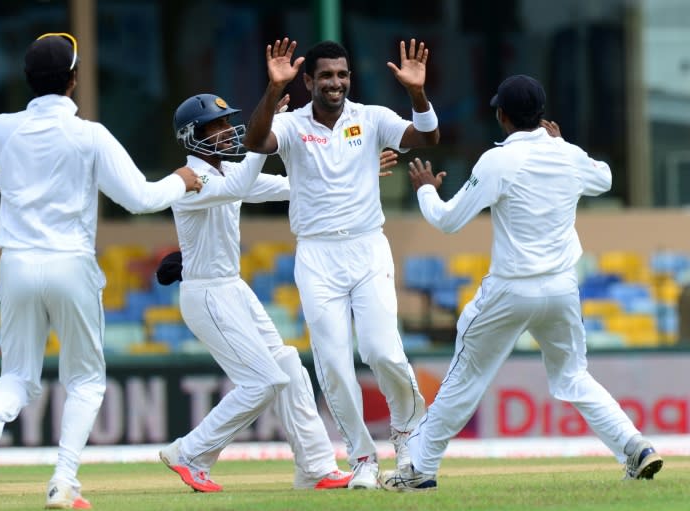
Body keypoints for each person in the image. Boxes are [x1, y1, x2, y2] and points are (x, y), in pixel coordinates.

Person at [0, 33, 201, 509]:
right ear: (74, 79)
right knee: (85, 381)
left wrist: (14, 174)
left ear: (27, 81)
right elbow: (139, 199)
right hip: (71, 264)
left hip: (17, 265)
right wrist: (181, 181)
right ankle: (62, 482)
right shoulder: (90, 134)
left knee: (18, 377)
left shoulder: (4, 128)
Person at [380, 74, 663, 491]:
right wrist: (563, 145)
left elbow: (448, 221)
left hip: (511, 289)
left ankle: (419, 469)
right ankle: (634, 447)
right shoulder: (564, 155)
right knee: (574, 376)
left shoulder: (498, 161)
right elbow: (604, 178)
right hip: (562, 289)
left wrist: (425, 192)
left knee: (464, 379)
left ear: (502, 116)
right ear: (543, 116)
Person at [243, 37, 440, 488]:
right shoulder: (291, 125)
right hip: (315, 254)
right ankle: (363, 459)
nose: (337, 83)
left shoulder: (370, 118)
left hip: (368, 247)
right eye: (327, 76)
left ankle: (409, 437)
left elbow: (427, 136)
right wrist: (274, 89)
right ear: (309, 80)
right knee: (332, 362)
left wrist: (416, 92)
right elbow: (255, 142)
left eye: (343, 75)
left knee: (382, 350)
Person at [157, 92, 355, 492]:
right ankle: (189, 453)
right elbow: (242, 183)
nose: (230, 131)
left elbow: (289, 187)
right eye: (219, 125)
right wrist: (264, 136)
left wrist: (355, 168)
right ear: (194, 135)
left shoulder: (227, 172)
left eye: (230, 123)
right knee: (262, 383)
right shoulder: (192, 179)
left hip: (233, 289)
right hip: (208, 296)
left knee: (288, 367)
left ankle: (315, 468)